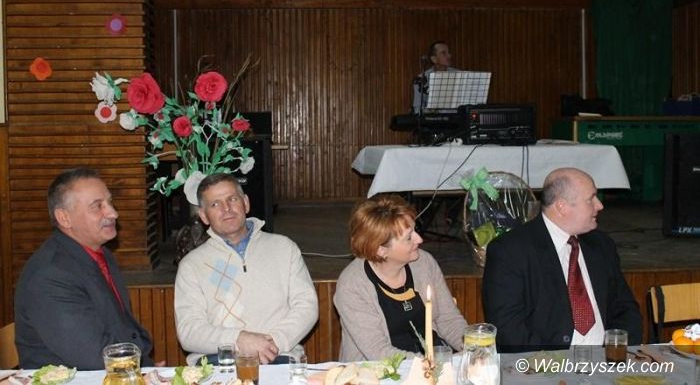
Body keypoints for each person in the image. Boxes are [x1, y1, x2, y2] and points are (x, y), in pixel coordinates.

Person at [482, 167, 642, 352]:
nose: (599, 205)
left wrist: (617, 353)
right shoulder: (510, 251)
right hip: (544, 364)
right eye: (591, 199)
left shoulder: (601, 245)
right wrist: (553, 364)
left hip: (606, 360)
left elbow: (625, 309)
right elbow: (508, 328)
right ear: (562, 206)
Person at [14, 168, 154, 369]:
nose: (113, 213)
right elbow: (94, 356)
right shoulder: (50, 276)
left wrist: (148, 366)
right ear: (64, 218)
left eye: (110, 203)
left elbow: (121, 329)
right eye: (98, 206)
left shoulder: (101, 254)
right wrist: (143, 371)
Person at [174, 173, 318, 365]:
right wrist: (239, 340)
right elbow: (189, 331)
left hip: (279, 355)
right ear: (204, 216)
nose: (226, 208)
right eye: (215, 204)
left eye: (232, 199)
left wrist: (272, 343)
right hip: (219, 361)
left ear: (246, 203)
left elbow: (306, 306)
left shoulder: (284, 248)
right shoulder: (192, 265)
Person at [334, 195, 467, 361]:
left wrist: (471, 347)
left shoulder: (424, 263)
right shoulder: (352, 285)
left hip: (434, 362)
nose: (419, 239)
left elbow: (448, 319)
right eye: (409, 237)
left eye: (415, 230)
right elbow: (378, 352)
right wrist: (431, 364)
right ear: (381, 250)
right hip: (382, 370)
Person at [412, 40, 455, 114]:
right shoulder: (420, 79)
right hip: (432, 120)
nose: (449, 56)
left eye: (448, 52)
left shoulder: (459, 75)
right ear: (434, 59)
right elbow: (417, 108)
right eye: (443, 53)